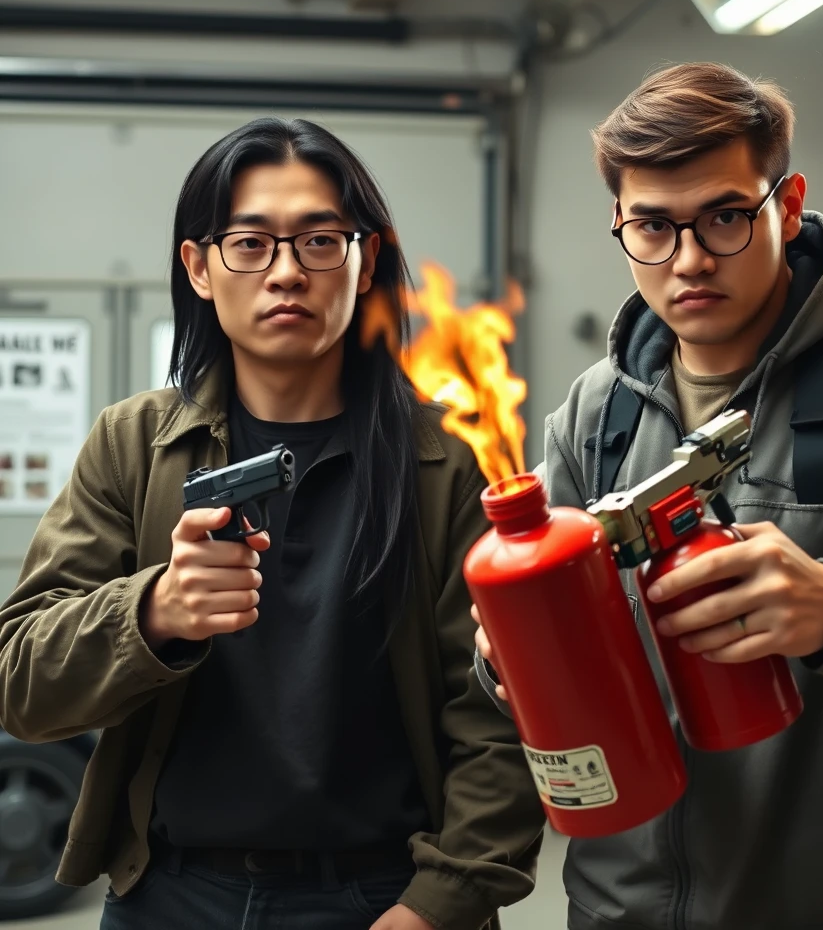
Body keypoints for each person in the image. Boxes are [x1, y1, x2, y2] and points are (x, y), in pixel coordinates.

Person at [474, 62, 823, 929]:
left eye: (726, 216)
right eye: (652, 227)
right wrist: (507, 654)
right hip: (618, 914)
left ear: (789, 203)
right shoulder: (596, 409)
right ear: (620, 224)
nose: (689, 259)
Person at [0, 118, 544, 930]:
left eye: (321, 241)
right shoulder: (134, 445)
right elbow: (20, 682)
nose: (286, 272)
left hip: (380, 898)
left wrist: (438, 904)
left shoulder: (446, 466)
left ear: (366, 263)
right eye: (250, 244)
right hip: (170, 896)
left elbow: (501, 715)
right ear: (200, 268)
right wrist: (154, 612)